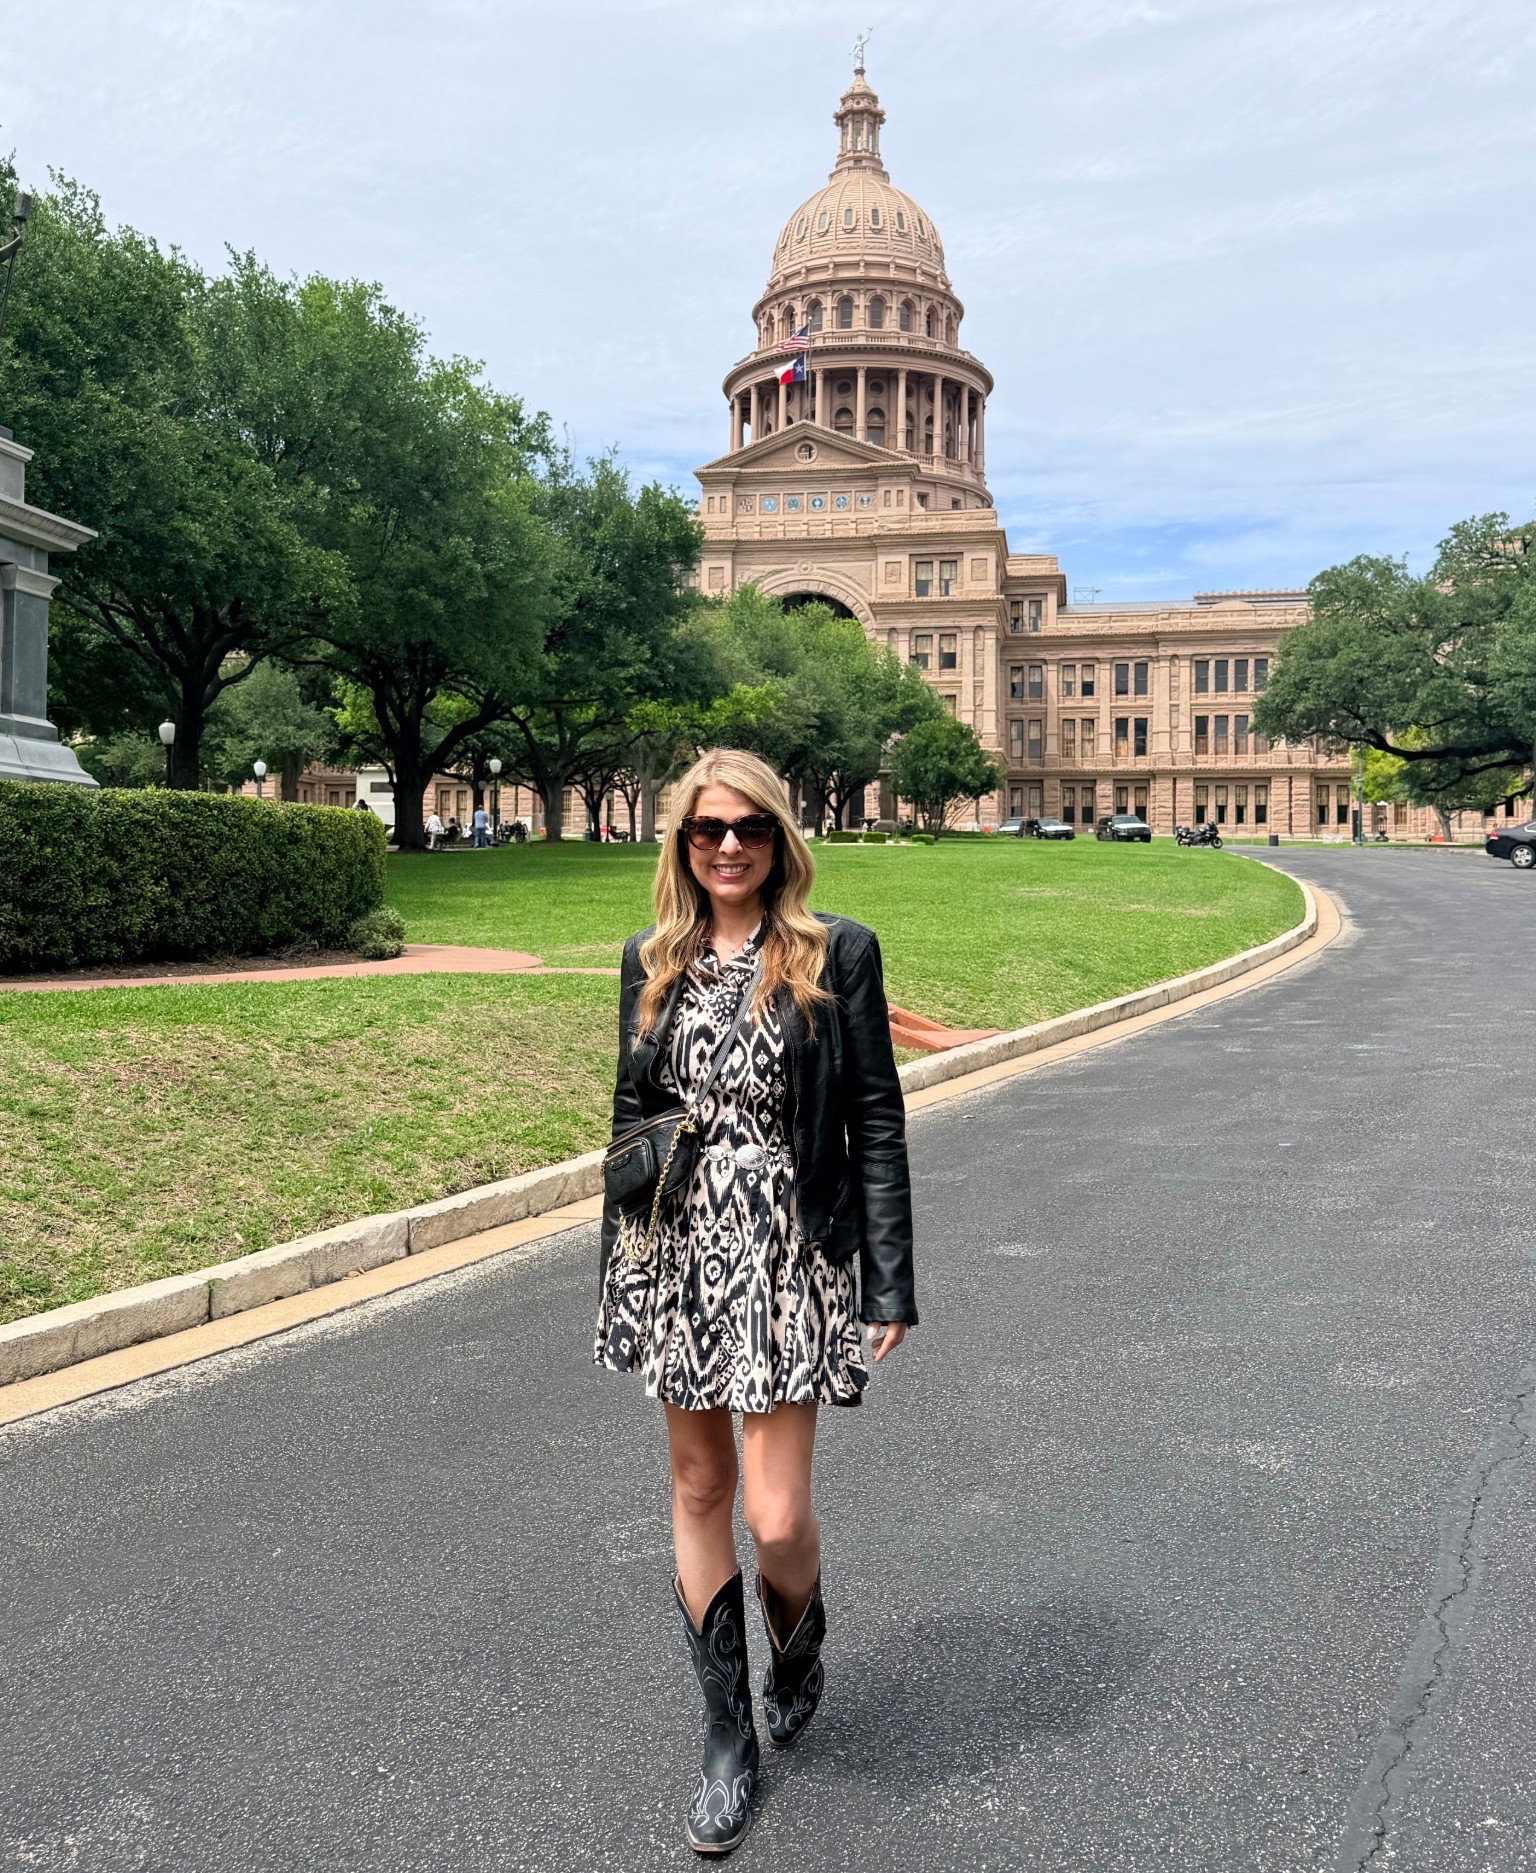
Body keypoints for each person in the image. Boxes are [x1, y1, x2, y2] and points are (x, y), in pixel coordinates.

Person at [596, 747, 916, 1856]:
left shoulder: (837, 955)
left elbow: (875, 1115)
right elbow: (632, 1134)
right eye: (704, 829)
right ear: (680, 844)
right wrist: (621, 1273)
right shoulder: (649, 958)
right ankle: (726, 1738)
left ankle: (802, 1636)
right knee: (698, 1483)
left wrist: (890, 1272)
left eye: (749, 828)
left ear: (782, 840)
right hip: (678, 1248)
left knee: (776, 1516)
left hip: (791, 1248)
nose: (726, 845)